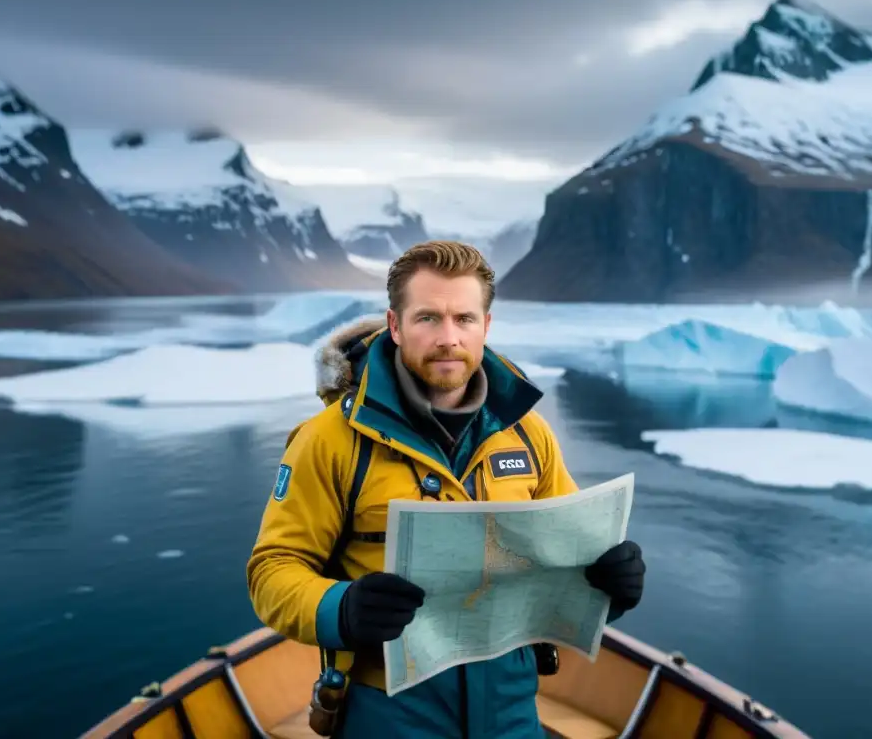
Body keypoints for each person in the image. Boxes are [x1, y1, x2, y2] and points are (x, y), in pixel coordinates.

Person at [247, 240, 646, 738]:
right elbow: (272, 572)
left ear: (486, 326)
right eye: (428, 318)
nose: (448, 338)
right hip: (390, 710)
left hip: (511, 707)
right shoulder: (329, 442)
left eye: (464, 318)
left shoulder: (528, 434)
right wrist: (342, 608)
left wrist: (611, 586)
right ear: (395, 326)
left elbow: (569, 559)